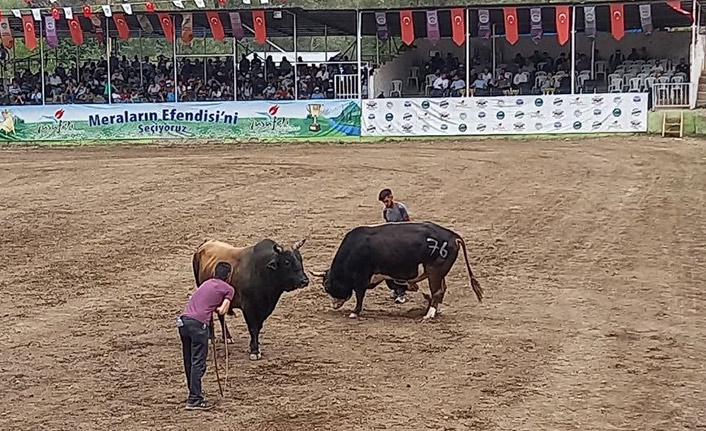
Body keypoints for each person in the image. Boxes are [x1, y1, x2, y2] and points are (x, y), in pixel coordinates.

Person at [177, 261, 234, 411]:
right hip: (198, 325)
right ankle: (195, 399)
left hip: (183, 322)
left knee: (189, 360)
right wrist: (215, 307)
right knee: (198, 362)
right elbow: (223, 310)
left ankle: (193, 393)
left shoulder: (207, 283)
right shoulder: (228, 289)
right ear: (229, 276)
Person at [378, 188, 411, 304]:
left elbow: (408, 223)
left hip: (402, 239)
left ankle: (401, 292)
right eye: (384, 202)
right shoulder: (385, 212)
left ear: (391, 197)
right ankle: (396, 291)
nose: (386, 204)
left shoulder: (400, 208)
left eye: (386, 201)